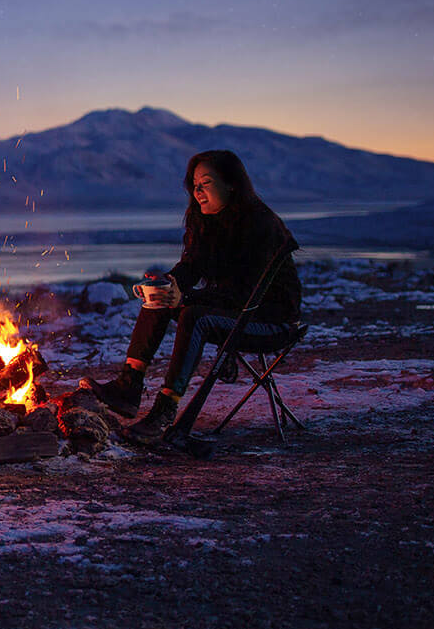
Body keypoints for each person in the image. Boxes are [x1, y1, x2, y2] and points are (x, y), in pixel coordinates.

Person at [81, 149, 302, 444]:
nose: (197, 191)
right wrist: (171, 285)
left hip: (269, 319)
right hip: (232, 311)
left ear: (231, 184)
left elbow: (245, 294)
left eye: (206, 183)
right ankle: (128, 386)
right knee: (159, 296)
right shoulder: (205, 220)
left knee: (194, 315)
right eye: (194, 184)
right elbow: (191, 266)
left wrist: (187, 300)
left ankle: (165, 411)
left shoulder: (260, 225)